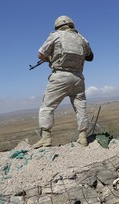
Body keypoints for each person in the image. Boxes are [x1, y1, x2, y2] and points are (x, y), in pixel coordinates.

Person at [32, 15, 94, 149]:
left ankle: (46, 138)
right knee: (80, 107)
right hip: (78, 78)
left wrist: (50, 59)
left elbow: (40, 54)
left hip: (60, 76)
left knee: (47, 106)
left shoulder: (55, 35)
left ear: (57, 26)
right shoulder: (81, 38)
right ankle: (83, 137)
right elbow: (90, 57)